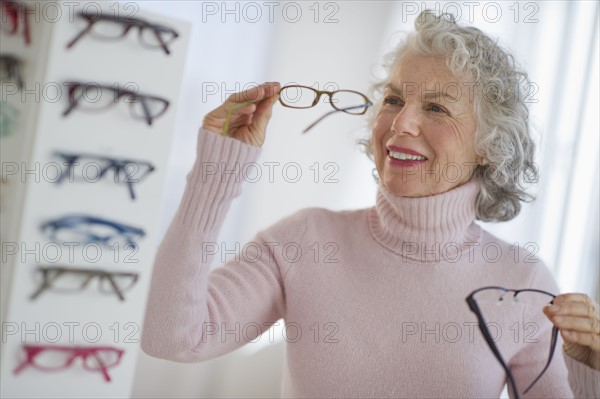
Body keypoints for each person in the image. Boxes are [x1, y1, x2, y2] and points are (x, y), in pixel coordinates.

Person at [141, 11, 600, 398]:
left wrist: (591, 371)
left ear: (488, 144)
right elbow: (171, 336)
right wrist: (214, 175)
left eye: (436, 108)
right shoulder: (304, 241)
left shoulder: (522, 283)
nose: (401, 123)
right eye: (394, 99)